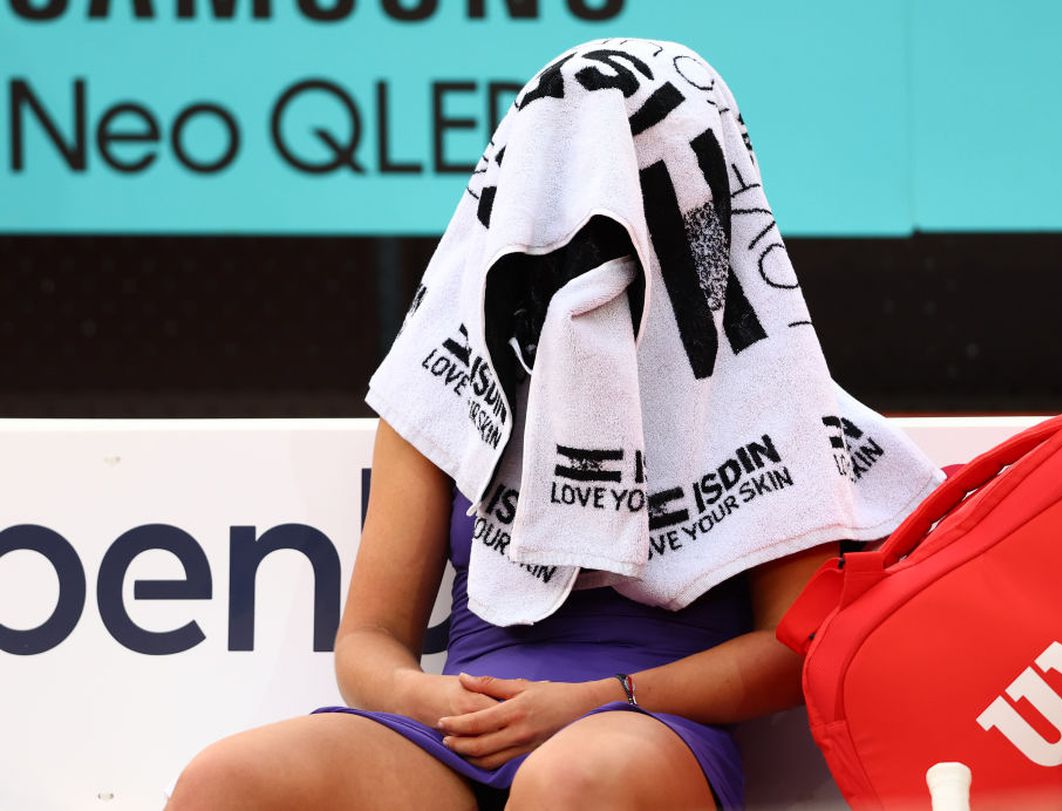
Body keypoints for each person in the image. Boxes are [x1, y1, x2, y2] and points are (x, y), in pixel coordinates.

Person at [167, 38, 941, 811]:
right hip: (455, 735)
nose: (591, 210)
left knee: (569, 781)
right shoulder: (449, 374)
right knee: (226, 780)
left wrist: (600, 699)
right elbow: (367, 639)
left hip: (640, 728)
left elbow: (792, 651)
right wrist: (431, 699)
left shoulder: (766, 382)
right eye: (565, 174)